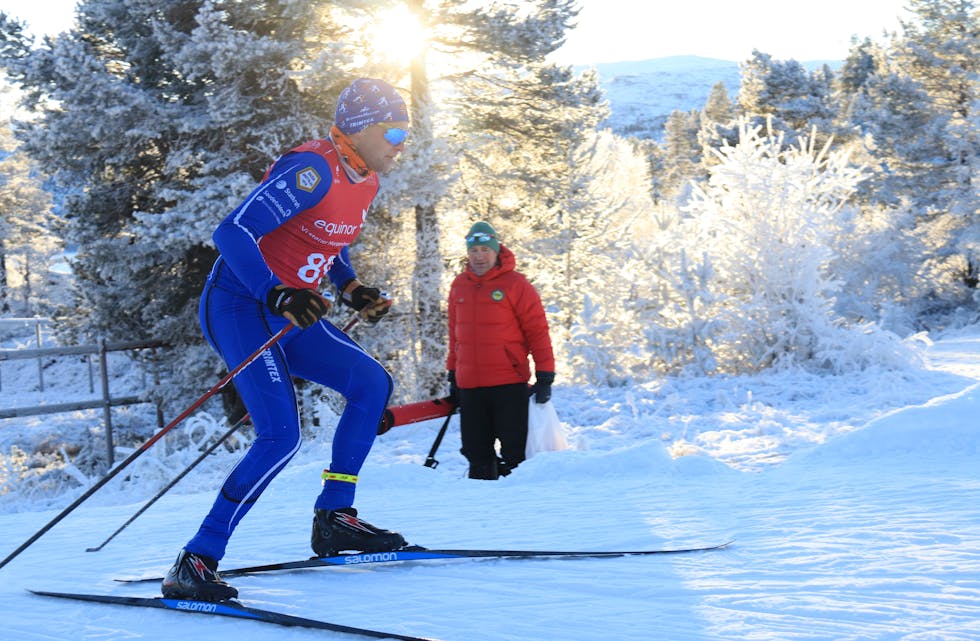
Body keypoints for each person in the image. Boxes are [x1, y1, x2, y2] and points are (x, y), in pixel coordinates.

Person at [162, 78, 411, 602]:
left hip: (288, 309)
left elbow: (326, 242)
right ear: (361, 128)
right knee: (281, 436)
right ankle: (195, 560)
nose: (401, 141)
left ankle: (334, 516)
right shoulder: (311, 168)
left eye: (406, 131)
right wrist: (276, 294)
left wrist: (351, 287)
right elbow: (232, 233)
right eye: (393, 129)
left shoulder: (365, 180)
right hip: (240, 304)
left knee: (370, 383)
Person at [445, 221, 555, 480]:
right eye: (474, 251)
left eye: (485, 250)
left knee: (514, 454)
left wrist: (545, 375)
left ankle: (517, 511)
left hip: (508, 383)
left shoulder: (517, 285)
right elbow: (454, 334)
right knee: (475, 452)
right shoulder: (459, 285)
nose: (479, 257)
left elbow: (538, 331)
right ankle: (481, 510)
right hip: (470, 386)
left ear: (496, 252)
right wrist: (452, 372)